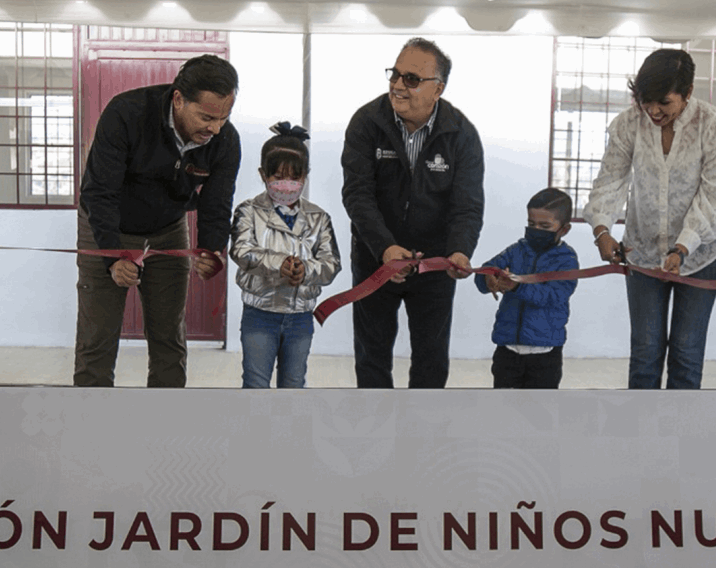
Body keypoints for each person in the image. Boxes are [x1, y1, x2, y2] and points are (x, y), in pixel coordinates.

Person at [75, 55, 239, 388]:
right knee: (98, 337)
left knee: (168, 336)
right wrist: (111, 256)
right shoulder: (126, 114)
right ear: (178, 99)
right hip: (106, 225)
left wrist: (211, 248)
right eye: (207, 117)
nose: (215, 128)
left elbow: (217, 201)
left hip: (167, 230)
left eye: (224, 117)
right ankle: (88, 421)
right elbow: (99, 192)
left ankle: (166, 424)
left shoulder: (225, 140)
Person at [583, 48, 716, 389]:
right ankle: (641, 437)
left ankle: (679, 437)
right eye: (644, 100)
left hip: (701, 255)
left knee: (686, 352)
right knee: (645, 352)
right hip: (643, 252)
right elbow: (610, 180)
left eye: (663, 102)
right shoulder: (627, 124)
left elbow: (713, 195)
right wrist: (602, 230)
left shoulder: (713, 126)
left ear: (688, 93)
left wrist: (682, 248)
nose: (652, 111)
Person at [341, 37, 485, 388]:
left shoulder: (462, 135)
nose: (397, 86)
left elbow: (467, 205)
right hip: (376, 260)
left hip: (433, 266)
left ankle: (424, 437)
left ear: (438, 89)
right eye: (395, 74)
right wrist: (385, 249)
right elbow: (358, 195)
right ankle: (376, 435)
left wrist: (460, 250)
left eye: (411, 79)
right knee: (371, 356)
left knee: (431, 360)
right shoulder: (366, 123)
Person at [230, 123, 340, 388]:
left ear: (306, 176)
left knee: (293, 385)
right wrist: (280, 265)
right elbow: (241, 251)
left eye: (295, 178)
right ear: (262, 174)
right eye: (278, 176)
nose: (286, 185)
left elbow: (331, 263)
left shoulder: (319, 217)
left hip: (300, 317)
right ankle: (256, 430)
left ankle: (289, 431)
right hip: (259, 314)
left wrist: (305, 271)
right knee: (255, 383)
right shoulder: (247, 212)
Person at [475, 188, 580, 389]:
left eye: (545, 225)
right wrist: (487, 279)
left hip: (545, 352)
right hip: (507, 349)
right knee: (503, 408)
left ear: (564, 229)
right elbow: (487, 268)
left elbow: (554, 296)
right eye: (531, 224)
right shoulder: (516, 250)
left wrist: (517, 287)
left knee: (539, 414)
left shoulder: (567, 260)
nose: (536, 230)